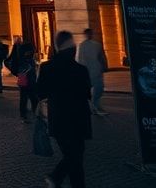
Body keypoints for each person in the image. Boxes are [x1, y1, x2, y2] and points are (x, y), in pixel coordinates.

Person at [37, 31, 92, 188]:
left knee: (73, 155)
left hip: (59, 118)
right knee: (76, 156)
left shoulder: (46, 68)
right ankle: (57, 177)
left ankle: (56, 178)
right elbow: (87, 94)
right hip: (79, 119)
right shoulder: (81, 70)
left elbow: (41, 92)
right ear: (72, 48)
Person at [75, 28, 108, 115]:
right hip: (88, 70)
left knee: (99, 88)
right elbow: (80, 59)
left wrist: (104, 65)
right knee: (90, 89)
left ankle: (95, 104)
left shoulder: (97, 45)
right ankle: (93, 106)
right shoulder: (82, 46)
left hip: (96, 70)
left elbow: (101, 56)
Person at [9, 35, 39, 121]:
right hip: (29, 77)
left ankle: (23, 114)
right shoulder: (29, 59)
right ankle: (35, 113)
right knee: (32, 96)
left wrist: (17, 73)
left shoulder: (20, 54)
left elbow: (14, 63)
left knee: (24, 96)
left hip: (23, 76)